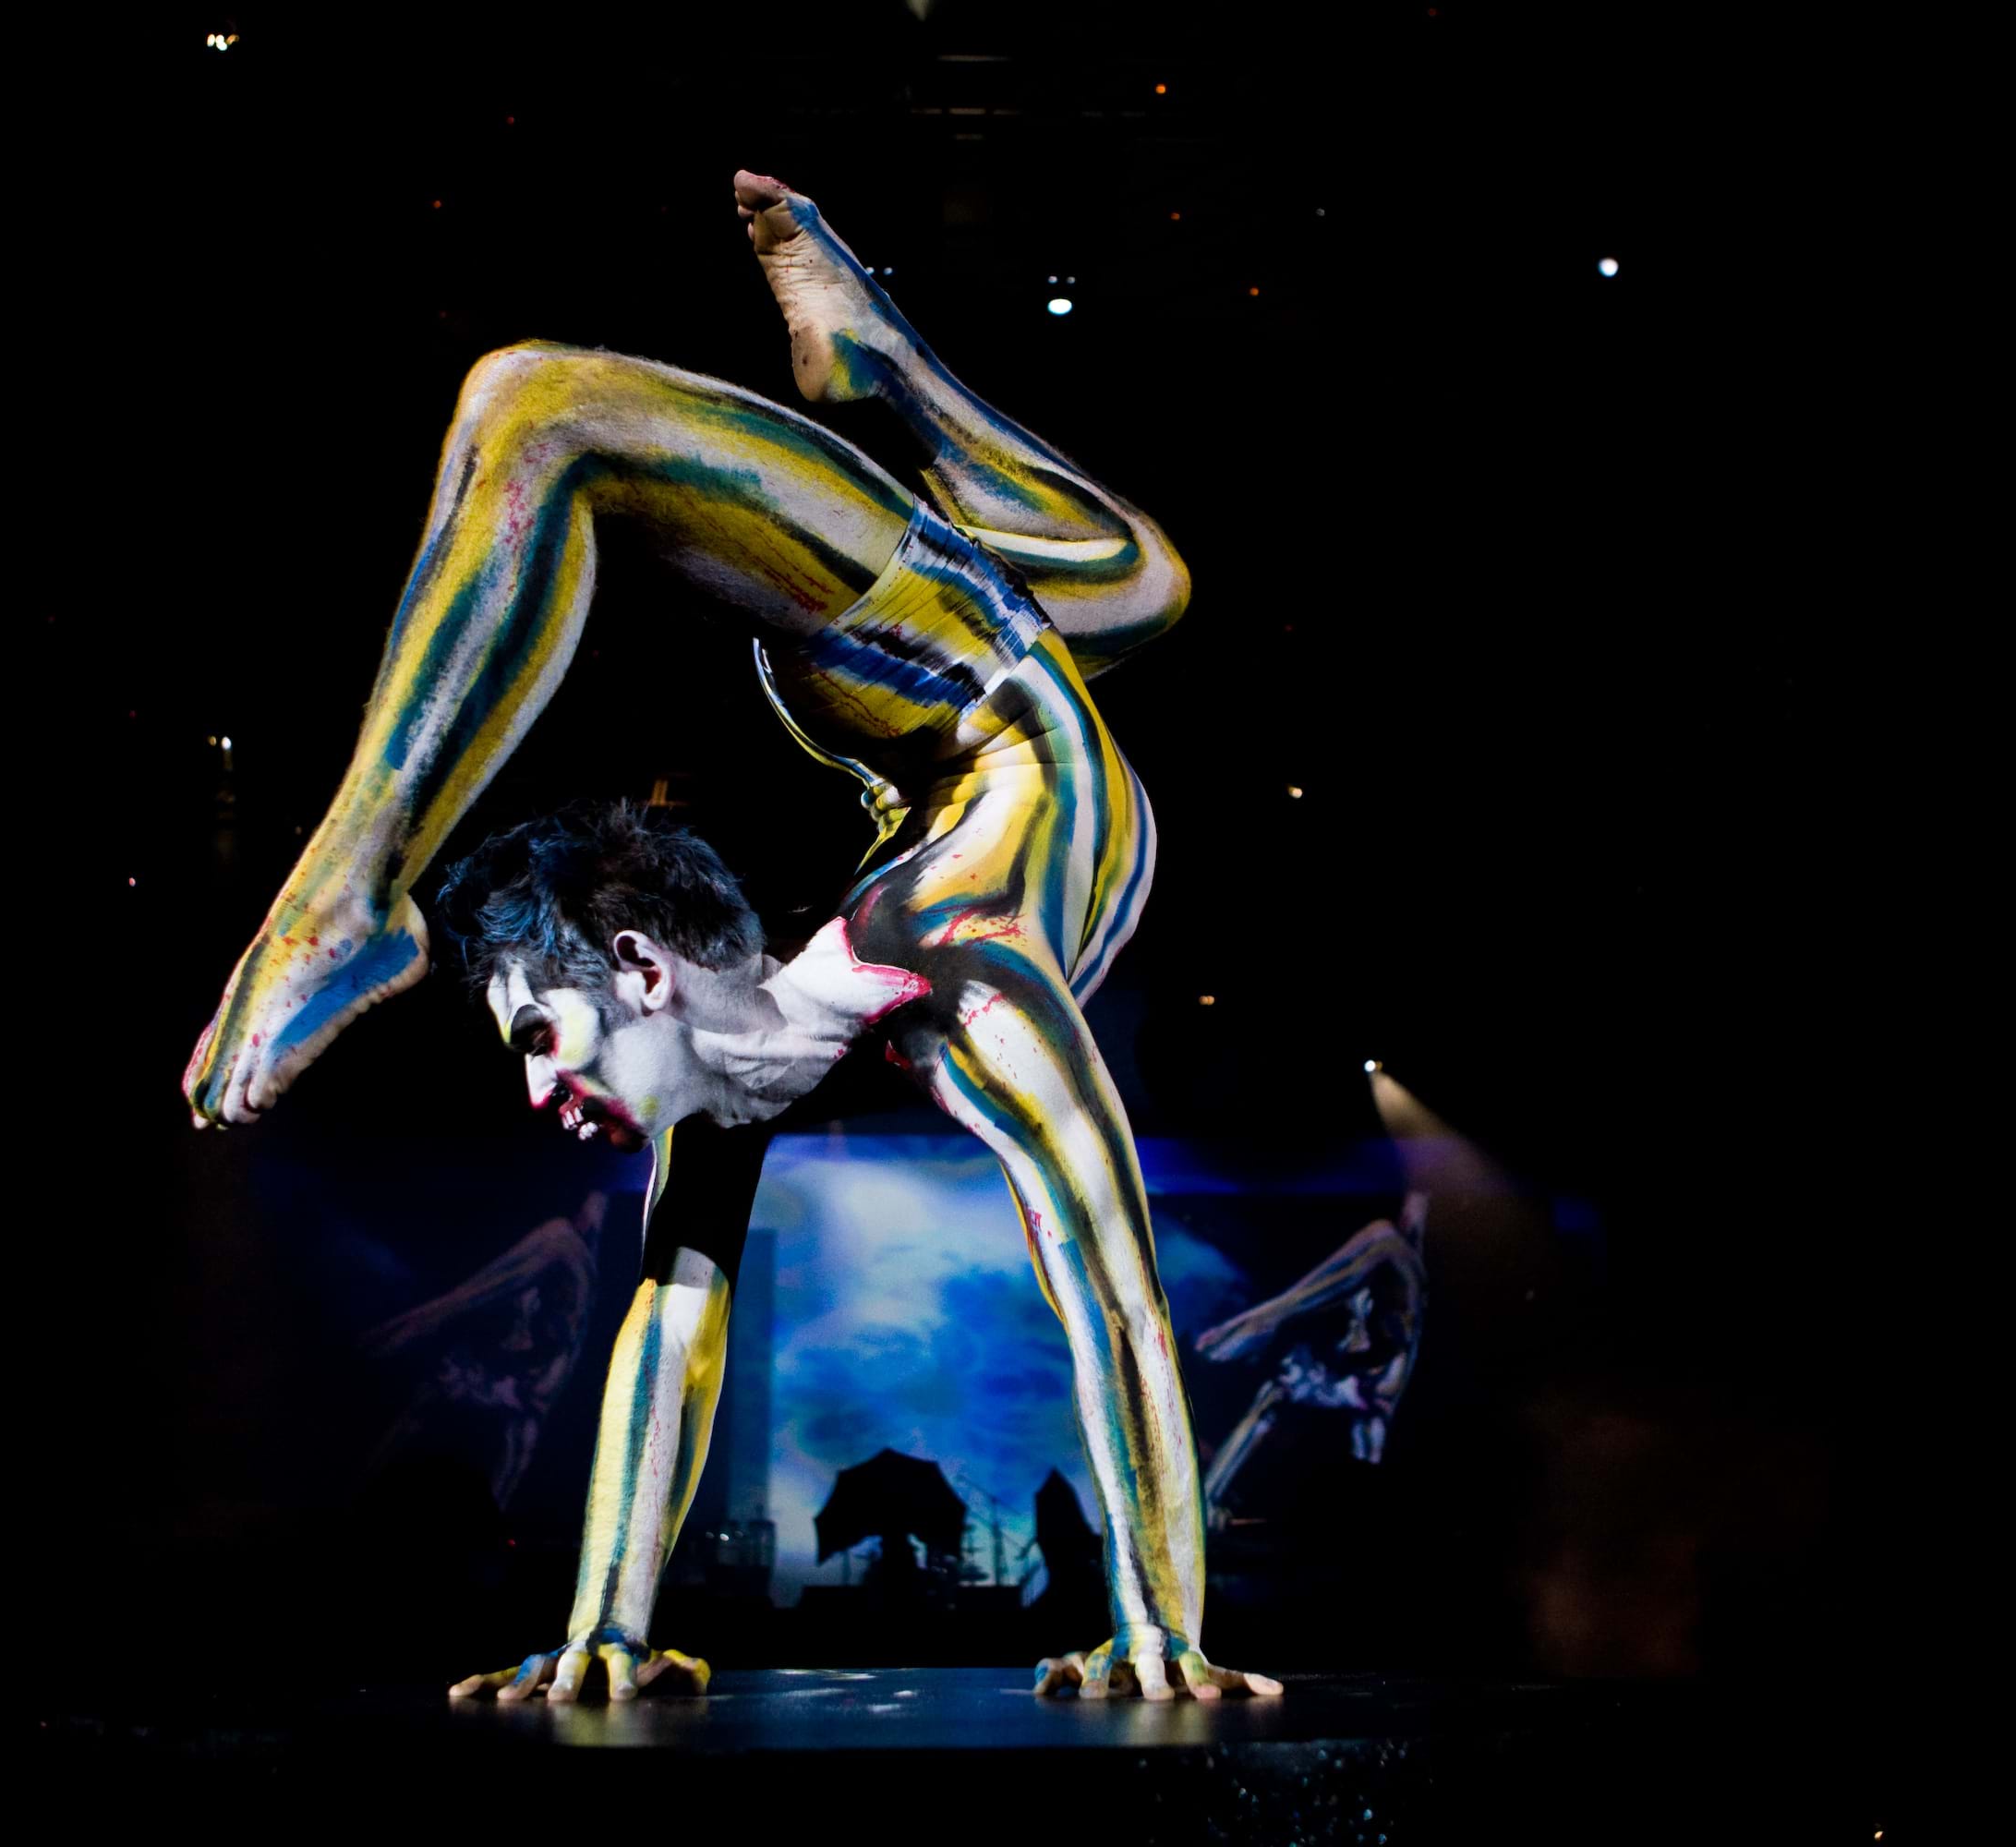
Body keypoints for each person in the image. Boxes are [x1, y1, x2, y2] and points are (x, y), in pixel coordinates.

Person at [181, 171, 1273, 1705]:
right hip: (963, 703)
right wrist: (607, 1630)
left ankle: (349, 888)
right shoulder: (900, 993)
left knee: (538, 409)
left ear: (646, 973)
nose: (538, 1092)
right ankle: (881, 360)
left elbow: (1111, 1288)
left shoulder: (949, 973)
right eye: (532, 1044)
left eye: (539, 1038)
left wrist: (1160, 1621)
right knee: (1140, 581)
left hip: (954, 692)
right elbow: (673, 1325)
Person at [1193, 1192, 1431, 1529]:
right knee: (1388, 1243)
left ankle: (1265, 1322)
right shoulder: (1389, 1275)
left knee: (1386, 1242)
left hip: (1358, 1367)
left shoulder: (1377, 1386)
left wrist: (1265, 1318)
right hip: (1353, 1351)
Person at [358, 1190, 605, 1508]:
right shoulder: (566, 1255)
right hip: (512, 1370)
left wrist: (414, 1326)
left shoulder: (562, 1245)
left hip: (523, 1380)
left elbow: (478, 1292)